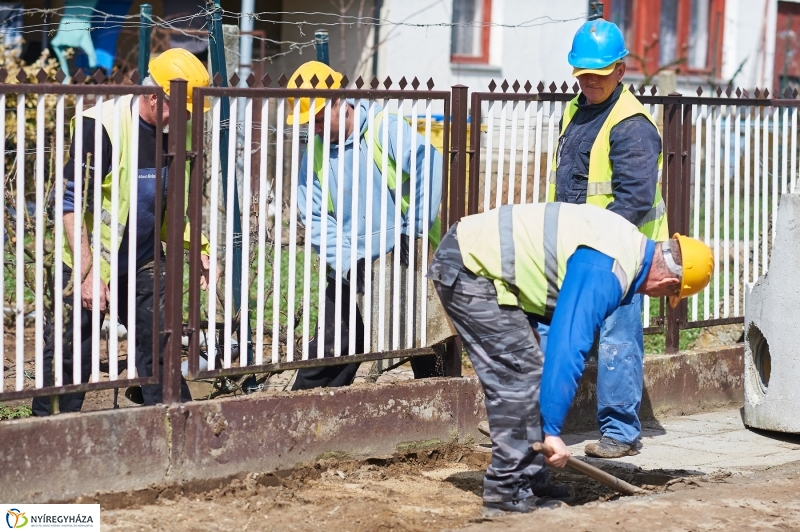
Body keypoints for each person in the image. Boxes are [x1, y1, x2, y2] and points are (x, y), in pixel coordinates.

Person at [428, 202, 713, 515]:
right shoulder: (608, 267)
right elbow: (568, 346)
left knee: (529, 370)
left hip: (483, 268)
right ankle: (506, 494)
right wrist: (550, 430)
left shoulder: (626, 245)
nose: (653, 297)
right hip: (470, 267)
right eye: (666, 297)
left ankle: (531, 480)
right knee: (518, 378)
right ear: (669, 283)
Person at [32, 48, 213, 416]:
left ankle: (174, 427)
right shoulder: (99, 127)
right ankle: (48, 433)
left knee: (161, 342)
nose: (185, 118)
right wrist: (86, 274)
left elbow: (172, 205)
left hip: (142, 258)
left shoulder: (178, 133)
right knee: (71, 353)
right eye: (180, 108)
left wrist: (198, 248)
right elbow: (68, 206)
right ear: (152, 96)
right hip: (87, 260)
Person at [541, 18, 669, 458]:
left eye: (598, 74)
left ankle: (621, 433)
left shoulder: (632, 125)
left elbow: (632, 201)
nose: (589, 82)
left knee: (618, 338)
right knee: (551, 329)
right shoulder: (575, 109)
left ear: (620, 70)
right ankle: (538, 422)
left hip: (619, 251)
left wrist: (593, 247)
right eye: (583, 74)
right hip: (575, 249)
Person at [287, 61, 444, 390]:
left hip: (406, 258)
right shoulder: (315, 151)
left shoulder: (382, 127)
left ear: (338, 104)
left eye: (316, 119)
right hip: (355, 265)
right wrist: (347, 262)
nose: (312, 129)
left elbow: (427, 162)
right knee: (330, 351)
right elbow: (313, 216)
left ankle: (443, 418)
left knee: (430, 347)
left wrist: (412, 230)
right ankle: (297, 422)